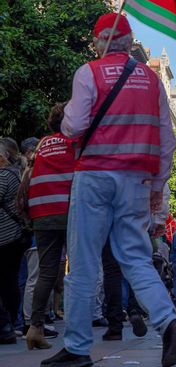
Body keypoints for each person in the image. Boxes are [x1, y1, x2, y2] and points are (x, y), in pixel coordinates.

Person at [42, 14, 176, 367]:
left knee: (83, 262)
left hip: (94, 176)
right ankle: (168, 322)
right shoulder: (151, 81)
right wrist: (158, 185)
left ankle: (77, 347)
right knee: (136, 258)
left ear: (99, 41)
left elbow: (73, 127)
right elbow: (167, 141)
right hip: (136, 180)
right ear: (128, 42)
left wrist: (67, 114)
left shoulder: (88, 73)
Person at [24, 104, 75, 350]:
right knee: (79, 270)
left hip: (41, 212)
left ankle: (35, 328)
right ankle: (77, 329)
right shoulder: (73, 143)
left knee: (46, 272)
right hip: (68, 212)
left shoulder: (42, 144)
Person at [0, 138, 25, 345]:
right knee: (10, 280)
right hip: (15, 236)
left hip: (5, 236)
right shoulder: (16, 173)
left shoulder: (4, 176)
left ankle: (6, 325)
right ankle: (11, 323)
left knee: (7, 281)